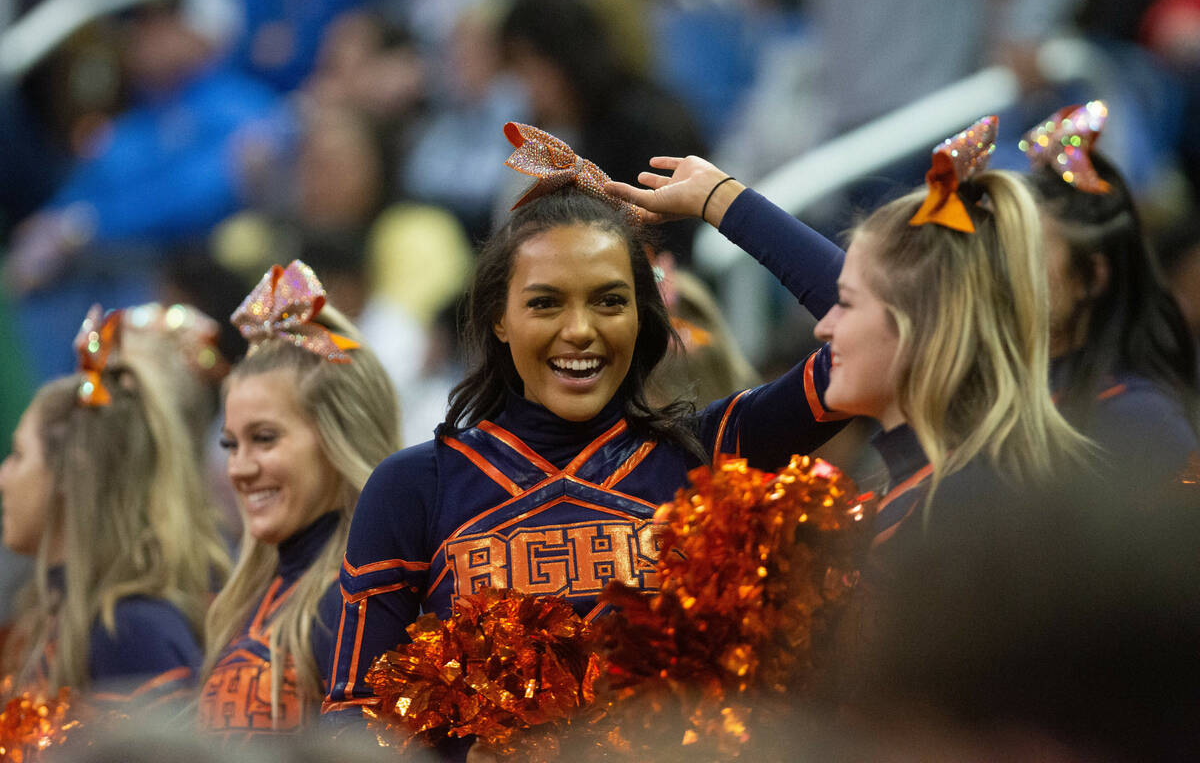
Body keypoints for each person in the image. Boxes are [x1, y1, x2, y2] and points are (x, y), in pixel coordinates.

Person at [323, 122, 850, 721]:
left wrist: (722, 201)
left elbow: (881, 330)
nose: (580, 330)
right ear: (500, 319)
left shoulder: (713, 451)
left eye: (609, 300)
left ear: (640, 316)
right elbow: (353, 723)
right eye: (545, 302)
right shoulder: (415, 488)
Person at [607, 116, 1091, 568]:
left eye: (849, 304)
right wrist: (720, 199)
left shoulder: (956, 514)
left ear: (919, 328)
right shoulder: (953, 484)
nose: (823, 326)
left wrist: (723, 200)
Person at [198, 260, 399, 741]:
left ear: (337, 440)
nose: (239, 469)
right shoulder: (244, 599)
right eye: (231, 444)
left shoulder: (359, 605)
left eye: (264, 439)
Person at [0, 306, 231, 704]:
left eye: (18, 455)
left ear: (71, 475)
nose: (4, 476)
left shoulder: (131, 630)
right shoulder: (50, 609)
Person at [1022, 101, 1199, 482]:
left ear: (1089, 279)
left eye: (1028, 253)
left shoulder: (1141, 420)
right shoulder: (1002, 396)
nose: (1003, 268)